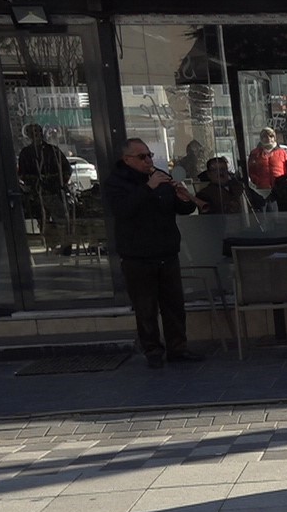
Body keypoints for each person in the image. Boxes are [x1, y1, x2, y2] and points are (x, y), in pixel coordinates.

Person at [105, 138, 205, 368]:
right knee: (145, 307)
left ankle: (178, 348)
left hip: (166, 250)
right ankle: (152, 351)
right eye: (142, 157)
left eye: (150, 155)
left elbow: (180, 208)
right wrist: (148, 188)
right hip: (137, 255)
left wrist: (185, 199)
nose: (148, 160)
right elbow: (123, 210)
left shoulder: (159, 176)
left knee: (174, 305)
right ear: (127, 159)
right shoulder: (117, 182)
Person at [17, 123, 72, 251]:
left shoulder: (53, 150)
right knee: (43, 220)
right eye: (32, 133)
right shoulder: (26, 153)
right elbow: (22, 174)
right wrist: (34, 184)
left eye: (37, 132)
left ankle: (65, 244)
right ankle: (51, 245)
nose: (36, 135)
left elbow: (66, 169)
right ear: (29, 136)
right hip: (38, 193)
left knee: (61, 218)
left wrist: (58, 183)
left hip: (54, 191)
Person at [194, 157, 265, 214]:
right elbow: (209, 218)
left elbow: (261, 202)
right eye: (215, 170)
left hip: (248, 227)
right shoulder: (204, 194)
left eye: (223, 169)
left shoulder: (239, 187)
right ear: (209, 174)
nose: (220, 173)